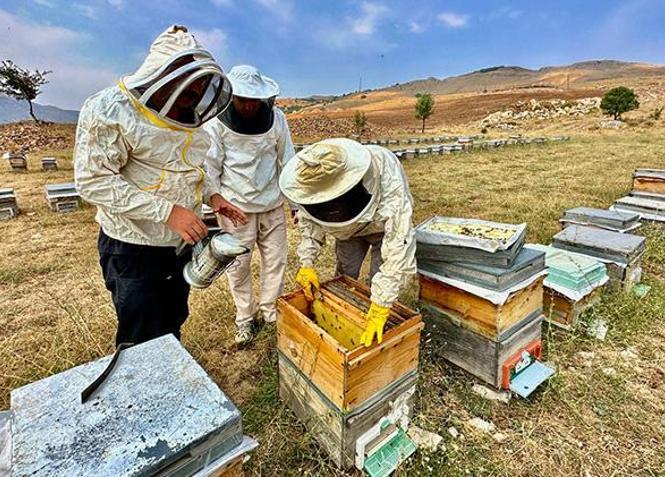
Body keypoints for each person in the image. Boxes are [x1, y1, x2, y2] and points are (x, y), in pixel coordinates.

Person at [74, 25, 247, 346]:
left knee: (171, 322)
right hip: (133, 248)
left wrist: (214, 196)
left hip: (177, 246)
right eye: (188, 90)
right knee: (141, 336)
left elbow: (191, 166)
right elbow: (93, 181)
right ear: (162, 76)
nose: (192, 99)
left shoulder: (188, 116)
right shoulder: (110, 109)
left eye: (198, 92)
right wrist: (168, 212)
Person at [279, 138, 416, 347]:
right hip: (347, 233)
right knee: (344, 275)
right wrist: (307, 264)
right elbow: (310, 223)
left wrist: (381, 303)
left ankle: (380, 326)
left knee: (380, 279)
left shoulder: (386, 173)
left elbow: (399, 243)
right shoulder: (311, 187)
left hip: (381, 229)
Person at [204, 65, 295, 345]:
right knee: (238, 267)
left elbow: (288, 160)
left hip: (272, 204)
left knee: (276, 261)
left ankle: (270, 312)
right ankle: (245, 318)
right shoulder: (216, 124)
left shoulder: (277, 119)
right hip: (236, 210)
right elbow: (210, 168)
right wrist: (215, 201)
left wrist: (296, 203)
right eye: (242, 99)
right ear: (231, 97)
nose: (247, 105)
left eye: (252, 100)